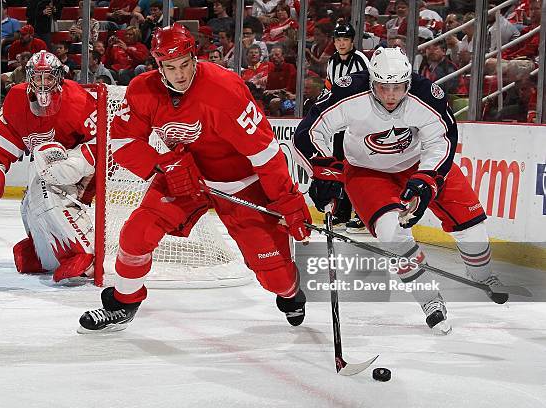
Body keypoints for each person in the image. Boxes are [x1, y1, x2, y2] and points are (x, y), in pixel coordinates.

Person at [78, 23, 311, 333]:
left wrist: (289, 203)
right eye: (170, 67)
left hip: (242, 184)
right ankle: (123, 301)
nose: (180, 74)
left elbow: (265, 154)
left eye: (185, 64)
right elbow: (121, 143)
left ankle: (291, 292)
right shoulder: (142, 90)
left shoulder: (224, 90)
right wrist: (163, 165)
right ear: (158, 65)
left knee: (275, 278)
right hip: (184, 176)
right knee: (136, 234)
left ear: (194, 58)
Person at [293, 48, 509, 334]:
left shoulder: (427, 95)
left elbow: (441, 142)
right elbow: (308, 133)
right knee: (392, 234)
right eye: (383, 87)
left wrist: (426, 180)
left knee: (473, 227)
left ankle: (482, 275)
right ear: (371, 83)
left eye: (398, 87)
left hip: (419, 163)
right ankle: (429, 300)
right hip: (367, 172)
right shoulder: (348, 93)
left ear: (408, 82)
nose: (391, 95)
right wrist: (324, 172)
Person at [0, 51, 99, 285]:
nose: (43, 83)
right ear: (29, 78)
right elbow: (2, 142)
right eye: (38, 77)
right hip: (46, 169)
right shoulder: (17, 99)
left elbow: (102, 141)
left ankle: (82, 253)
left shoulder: (78, 99)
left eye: (49, 77)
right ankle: (45, 252)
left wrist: (79, 164)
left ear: (59, 77)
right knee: (29, 203)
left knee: (44, 189)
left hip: (80, 172)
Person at [325, 22, 370, 233]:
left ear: (352, 41)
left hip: (360, 125)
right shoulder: (332, 62)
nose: (341, 43)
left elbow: (370, 89)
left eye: (345, 39)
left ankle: (362, 214)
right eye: (338, 40)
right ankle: (342, 212)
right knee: (341, 168)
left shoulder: (361, 60)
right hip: (340, 125)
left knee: (359, 168)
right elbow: (329, 89)